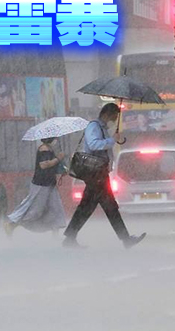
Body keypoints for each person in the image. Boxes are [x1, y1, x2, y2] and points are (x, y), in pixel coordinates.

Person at [62, 103, 146, 249]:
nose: (115, 118)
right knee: (106, 207)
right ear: (107, 113)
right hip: (95, 174)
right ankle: (125, 239)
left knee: (91, 207)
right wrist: (112, 140)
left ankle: (70, 237)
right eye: (115, 115)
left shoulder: (102, 128)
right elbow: (94, 145)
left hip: (100, 173)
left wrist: (113, 139)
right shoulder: (93, 126)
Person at [4, 137, 68, 236]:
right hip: (41, 184)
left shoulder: (50, 149)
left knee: (56, 209)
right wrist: (58, 158)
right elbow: (43, 165)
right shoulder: (44, 149)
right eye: (55, 138)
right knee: (35, 211)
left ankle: (55, 235)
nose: (56, 140)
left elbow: (52, 166)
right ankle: (12, 224)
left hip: (50, 183)